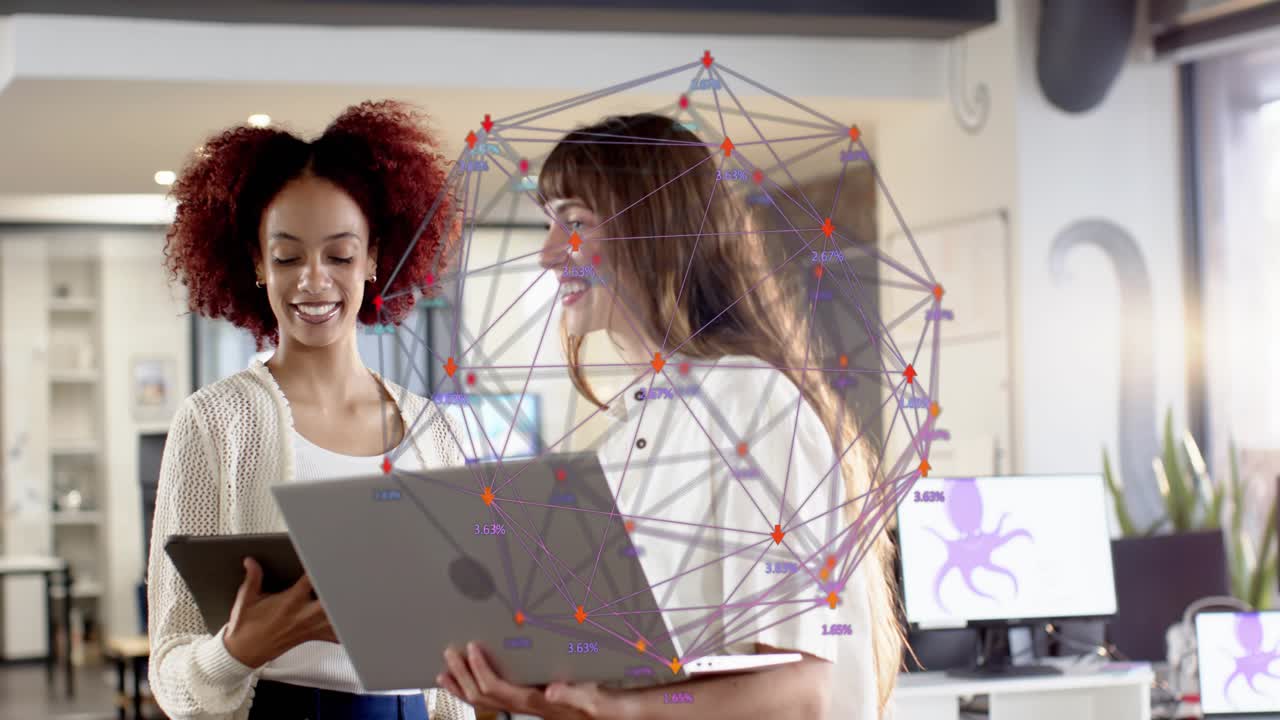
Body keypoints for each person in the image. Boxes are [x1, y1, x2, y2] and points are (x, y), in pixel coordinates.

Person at [437, 113, 904, 719]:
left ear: (653, 230)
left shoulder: (751, 404)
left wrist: (610, 710)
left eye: (575, 222)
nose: (551, 253)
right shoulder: (631, 434)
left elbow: (799, 695)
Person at [149, 99, 475, 720]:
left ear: (376, 257)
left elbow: (452, 658)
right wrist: (236, 652)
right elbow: (169, 674)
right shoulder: (214, 423)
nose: (313, 281)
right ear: (254, 261)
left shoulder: (433, 430)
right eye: (288, 256)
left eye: (340, 255)